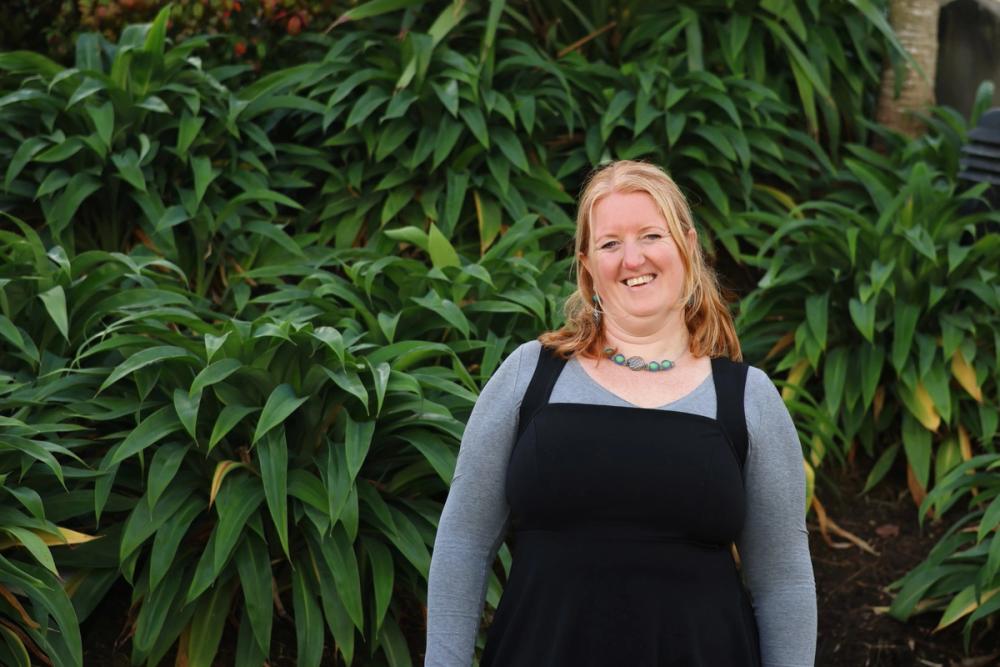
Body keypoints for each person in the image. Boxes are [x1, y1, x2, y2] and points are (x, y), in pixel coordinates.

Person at [424, 160, 816, 666]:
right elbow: (463, 546)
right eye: (610, 244)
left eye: (651, 235)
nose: (632, 259)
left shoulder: (746, 399)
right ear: (587, 264)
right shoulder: (530, 377)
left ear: (687, 246)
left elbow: (783, 583)